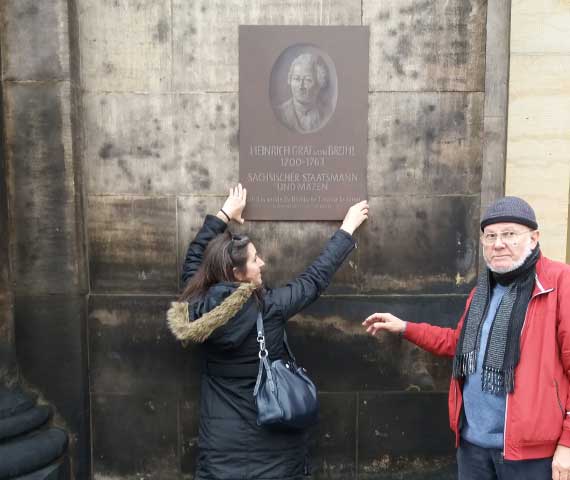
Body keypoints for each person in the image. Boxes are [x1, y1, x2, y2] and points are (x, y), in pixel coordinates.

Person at [168, 184, 368, 479]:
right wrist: (347, 228)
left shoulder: (195, 307)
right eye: (254, 259)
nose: (262, 262)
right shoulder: (269, 308)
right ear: (237, 274)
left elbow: (195, 260)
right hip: (275, 454)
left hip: (220, 453)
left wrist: (224, 214)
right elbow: (313, 280)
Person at [362, 196, 570, 480]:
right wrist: (406, 327)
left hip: (530, 455)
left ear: (534, 238)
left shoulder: (559, 283)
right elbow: (457, 343)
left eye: (509, 234)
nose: (498, 244)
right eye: (490, 236)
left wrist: (567, 444)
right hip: (472, 447)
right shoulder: (482, 291)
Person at [275, 53, 330, 134]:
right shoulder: (280, 113)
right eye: (296, 79)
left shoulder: (326, 113)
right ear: (290, 80)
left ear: (318, 85)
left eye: (308, 80)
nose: (301, 86)